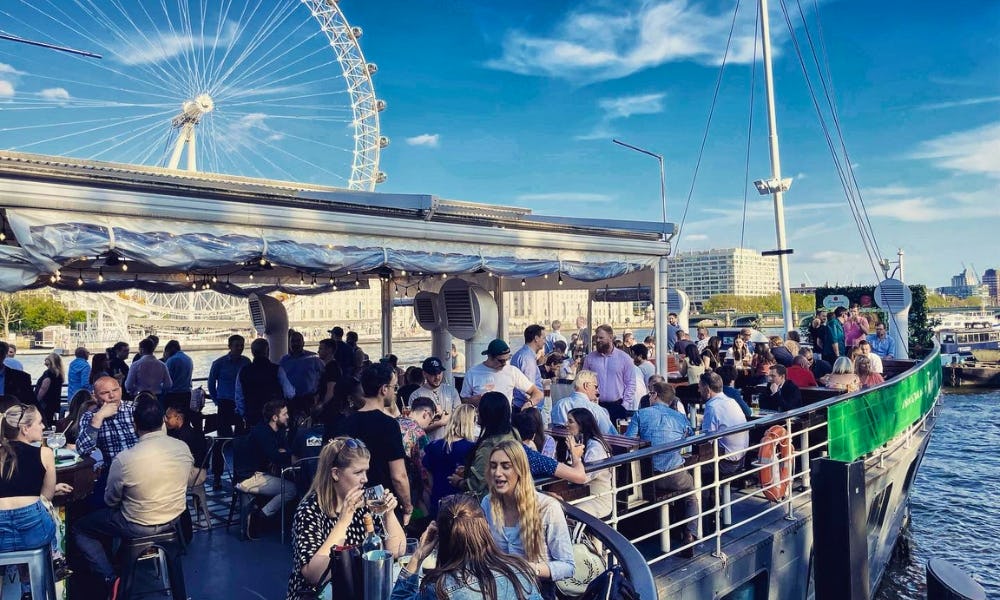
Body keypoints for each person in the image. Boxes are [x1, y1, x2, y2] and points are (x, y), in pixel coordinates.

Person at [73, 394, 191, 595]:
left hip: (137, 524)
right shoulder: (182, 448)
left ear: (135, 425)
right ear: (163, 420)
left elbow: (110, 500)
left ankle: (110, 577)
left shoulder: (125, 459)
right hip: (173, 519)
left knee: (80, 528)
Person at [286, 435, 405, 599]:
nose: (365, 479)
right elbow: (314, 577)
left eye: (366, 471)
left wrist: (389, 513)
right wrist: (343, 521)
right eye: (358, 472)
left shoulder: (364, 504)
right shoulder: (309, 510)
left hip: (357, 590)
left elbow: (396, 551)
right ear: (335, 473)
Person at [392, 494, 542, 600]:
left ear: (441, 539)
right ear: (485, 527)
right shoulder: (520, 569)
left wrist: (418, 555)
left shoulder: (439, 589)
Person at [481, 440, 574, 598]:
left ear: (520, 470)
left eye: (505, 466)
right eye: (493, 465)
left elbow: (568, 566)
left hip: (539, 589)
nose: (497, 472)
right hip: (501, 590)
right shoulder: (487, 503)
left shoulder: (548, 508)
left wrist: (530, 568)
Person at [624, 382, 699, 556]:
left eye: (650, 394)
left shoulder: (640, 415)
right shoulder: (680, 417)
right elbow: (690, 441)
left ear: (654, 395)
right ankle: (690, 533)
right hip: (675, 475)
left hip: (648, 480)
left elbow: (628, 442)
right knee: (691, 495)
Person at [334, 363, 413, 524]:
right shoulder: (389, 424)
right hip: (383, 501)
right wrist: (408, 506)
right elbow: (399, 476)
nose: (394, 391)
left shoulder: (344, 423)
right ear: (384, 389)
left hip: (351, 499)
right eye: (394, 387)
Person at [0, 403, 71, 557]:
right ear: (25, 429)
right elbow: (46, 498)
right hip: (33, 527)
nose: (43, 426)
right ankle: (48, 572)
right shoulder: (45, 453)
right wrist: (53, 489)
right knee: (53, 526)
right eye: (39, 422)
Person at [239, 400, 296, 538]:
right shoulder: (262, 432)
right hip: (250, 476)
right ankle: (260, 516)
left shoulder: (277, 431)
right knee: (292, 489)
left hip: (262, 474)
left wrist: (284, 453)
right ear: (275, 418)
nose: (288, 416)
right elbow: (275, 456)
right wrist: (285, 454)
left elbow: (285, 450)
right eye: (285, 414)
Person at [422, 404, 477, 519]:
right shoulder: (472, 448)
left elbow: (428, 476)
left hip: (438, 500)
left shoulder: (434, 445)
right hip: (462, 506)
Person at [460, 339, 542, 409]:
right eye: (501, 361)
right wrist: (473, 401)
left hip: (504, 423)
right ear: (490, 356)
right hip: (479, 424)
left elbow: (537, 393)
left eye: (507, 359)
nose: (504, 363)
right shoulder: (472, 373)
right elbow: (463, 400)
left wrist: (529, 403)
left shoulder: (512, 371)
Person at [77, 376, 138, 466]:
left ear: (121, 390)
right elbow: (82, 449)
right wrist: (98, 418)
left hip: (140, 464)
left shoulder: (135, 409)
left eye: (115, 390)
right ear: (95, 396)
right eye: (105, 393)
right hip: (112, 469)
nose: (112, 396)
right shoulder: (90, 416)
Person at [566, 408, 614, 519]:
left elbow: (584, 477)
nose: (566, 424)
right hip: (586, 495)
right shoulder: (582, 442)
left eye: (570, 421)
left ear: (581, 425)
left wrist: (574, 453)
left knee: (569, 514)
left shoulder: (595, 447)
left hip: (599, 500)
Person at [236, 338, 295, 428]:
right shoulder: (277, 370)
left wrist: (245, 414)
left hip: (252, 416)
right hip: (274, 416)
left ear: (252, 352)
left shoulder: (243, 371)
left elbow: (239, 397)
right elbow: (290, 393)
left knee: (255, 440)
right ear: (267, 351)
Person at [699, 372, 748, 478]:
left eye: (700, 388)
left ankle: (705, 494)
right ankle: (711, 493)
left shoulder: (712, 406)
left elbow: (706, 441)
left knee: (689, 469)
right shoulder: (731, 401)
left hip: (727, 463)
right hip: (741, 458)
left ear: (707, 389)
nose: (699, 391)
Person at [583, 325, 635, 419]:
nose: (597, 340)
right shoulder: (590, 358)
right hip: (595, 406)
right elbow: (583, 381)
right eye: (596, 337)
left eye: (601, 337)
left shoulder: (624, 358)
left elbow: (631, 383)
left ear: (611, 338)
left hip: (617, 407)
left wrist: (625, 405)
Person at [550, 370, 616, 437]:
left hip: (562, 445)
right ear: (586, 385)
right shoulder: (595, 409)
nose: (597, 391)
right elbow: (611, 436)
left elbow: (555, 432)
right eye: (596, 387)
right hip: (588, 446)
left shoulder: (560, 404)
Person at [280, 331, 324, 422]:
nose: (295, 343)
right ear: (289, 343)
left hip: (309, 400)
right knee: (290, 427)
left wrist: (319, 396)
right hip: (290, 402)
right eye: (293, 341)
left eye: (298, 341)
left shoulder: (314, 358)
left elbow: (324, 376)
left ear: (303, 343)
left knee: (310, 426)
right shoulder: (283, 360)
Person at [164, 406, 208, 487]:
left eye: (168, 417)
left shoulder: (185, 435)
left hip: (195, 472)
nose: (165, 420)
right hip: (197, 470)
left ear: (178, 418)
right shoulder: (182, 431)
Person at [511, 325, 546, 417]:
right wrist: (531, 405)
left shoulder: (519, 354)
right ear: (536, 338)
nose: (545, 341)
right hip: (527, 409)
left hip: (520, 405)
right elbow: (528, 386)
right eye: (543, 338)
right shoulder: (527, 358)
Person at [162, 340, 194, 415]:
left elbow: (165, 379)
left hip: (173, 395)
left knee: (171, 420)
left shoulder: (171, 360)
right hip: (187, 394)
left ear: (170, 349)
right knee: (184, 418)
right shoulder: (188, 359)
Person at [34, 353, 64, 425]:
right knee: (49, 421)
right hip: (53, 402)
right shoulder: (59, 374)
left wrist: (36, 401)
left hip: (44, 403)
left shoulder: (48, 373)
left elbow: (43, 389)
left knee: (43, 421)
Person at [315, 338, 342, 407]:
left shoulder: (332, 368)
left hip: (329, 408)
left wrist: (321, 406)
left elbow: (330, 391)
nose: (318, 351)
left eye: (321, 349)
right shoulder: (329, 366)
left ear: (329, 350)